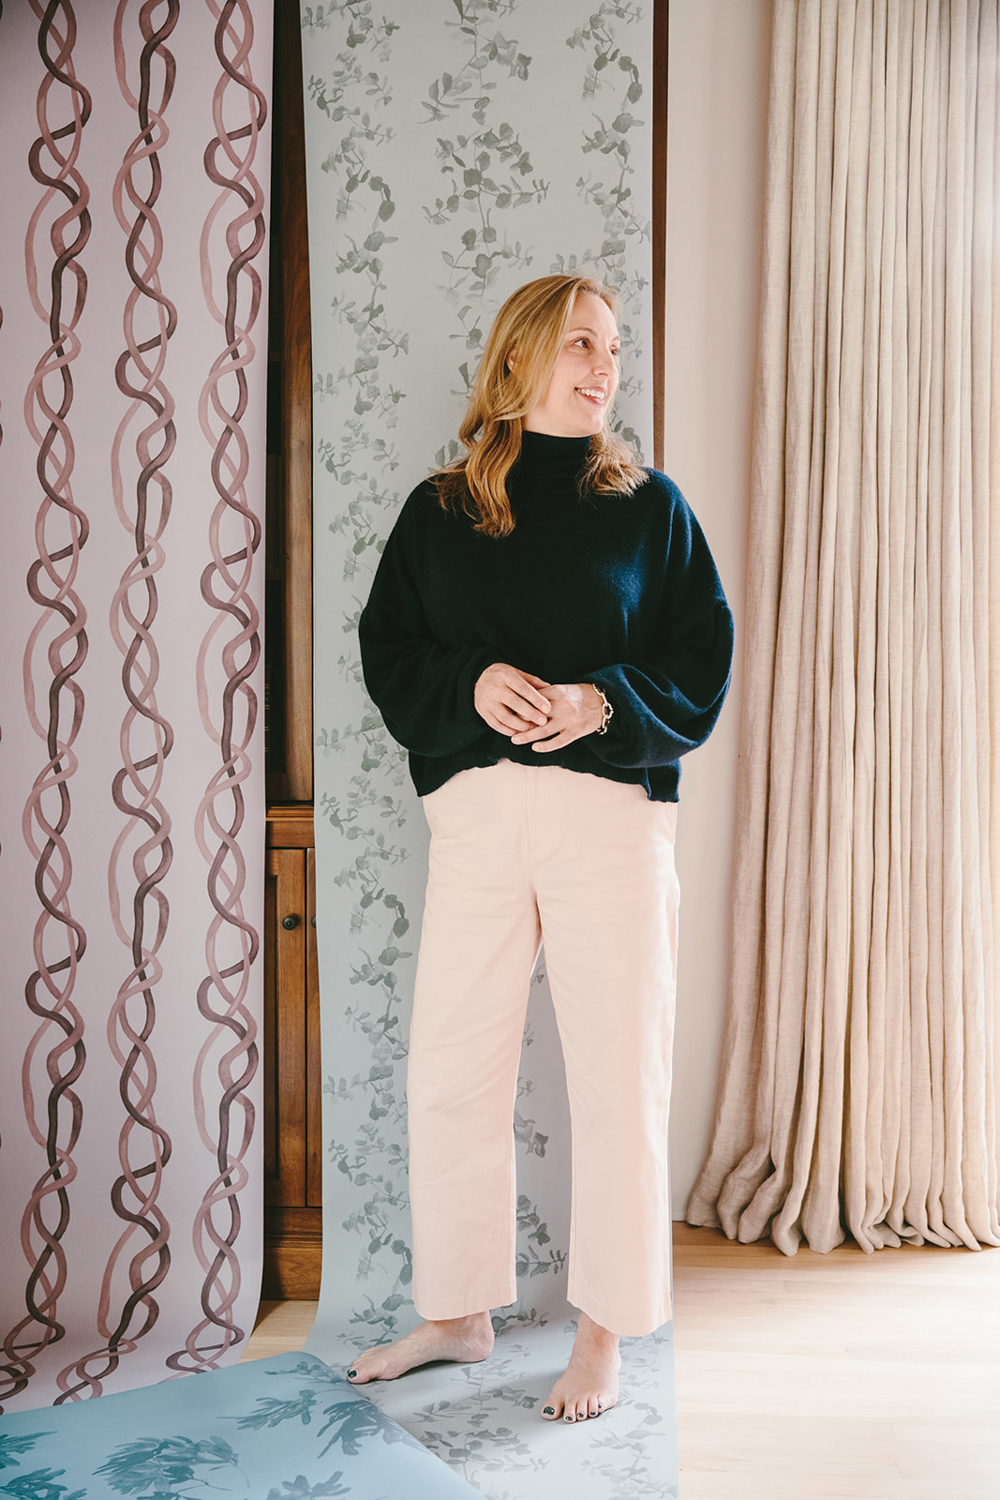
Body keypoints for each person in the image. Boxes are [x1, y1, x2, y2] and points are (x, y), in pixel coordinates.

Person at [349, 274, 733, 1423]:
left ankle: (604, 1333)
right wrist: (471, 680)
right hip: (473, 817)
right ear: (517, 361)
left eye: (611, 347)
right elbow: (389, 649)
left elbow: (699, 662)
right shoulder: (440, 510)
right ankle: (461, 1313)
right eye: (579, 343)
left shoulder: (649, 507)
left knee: (619, 1074)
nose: (603, 365)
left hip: (610, 819)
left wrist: (602, 703)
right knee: (451, 1068)